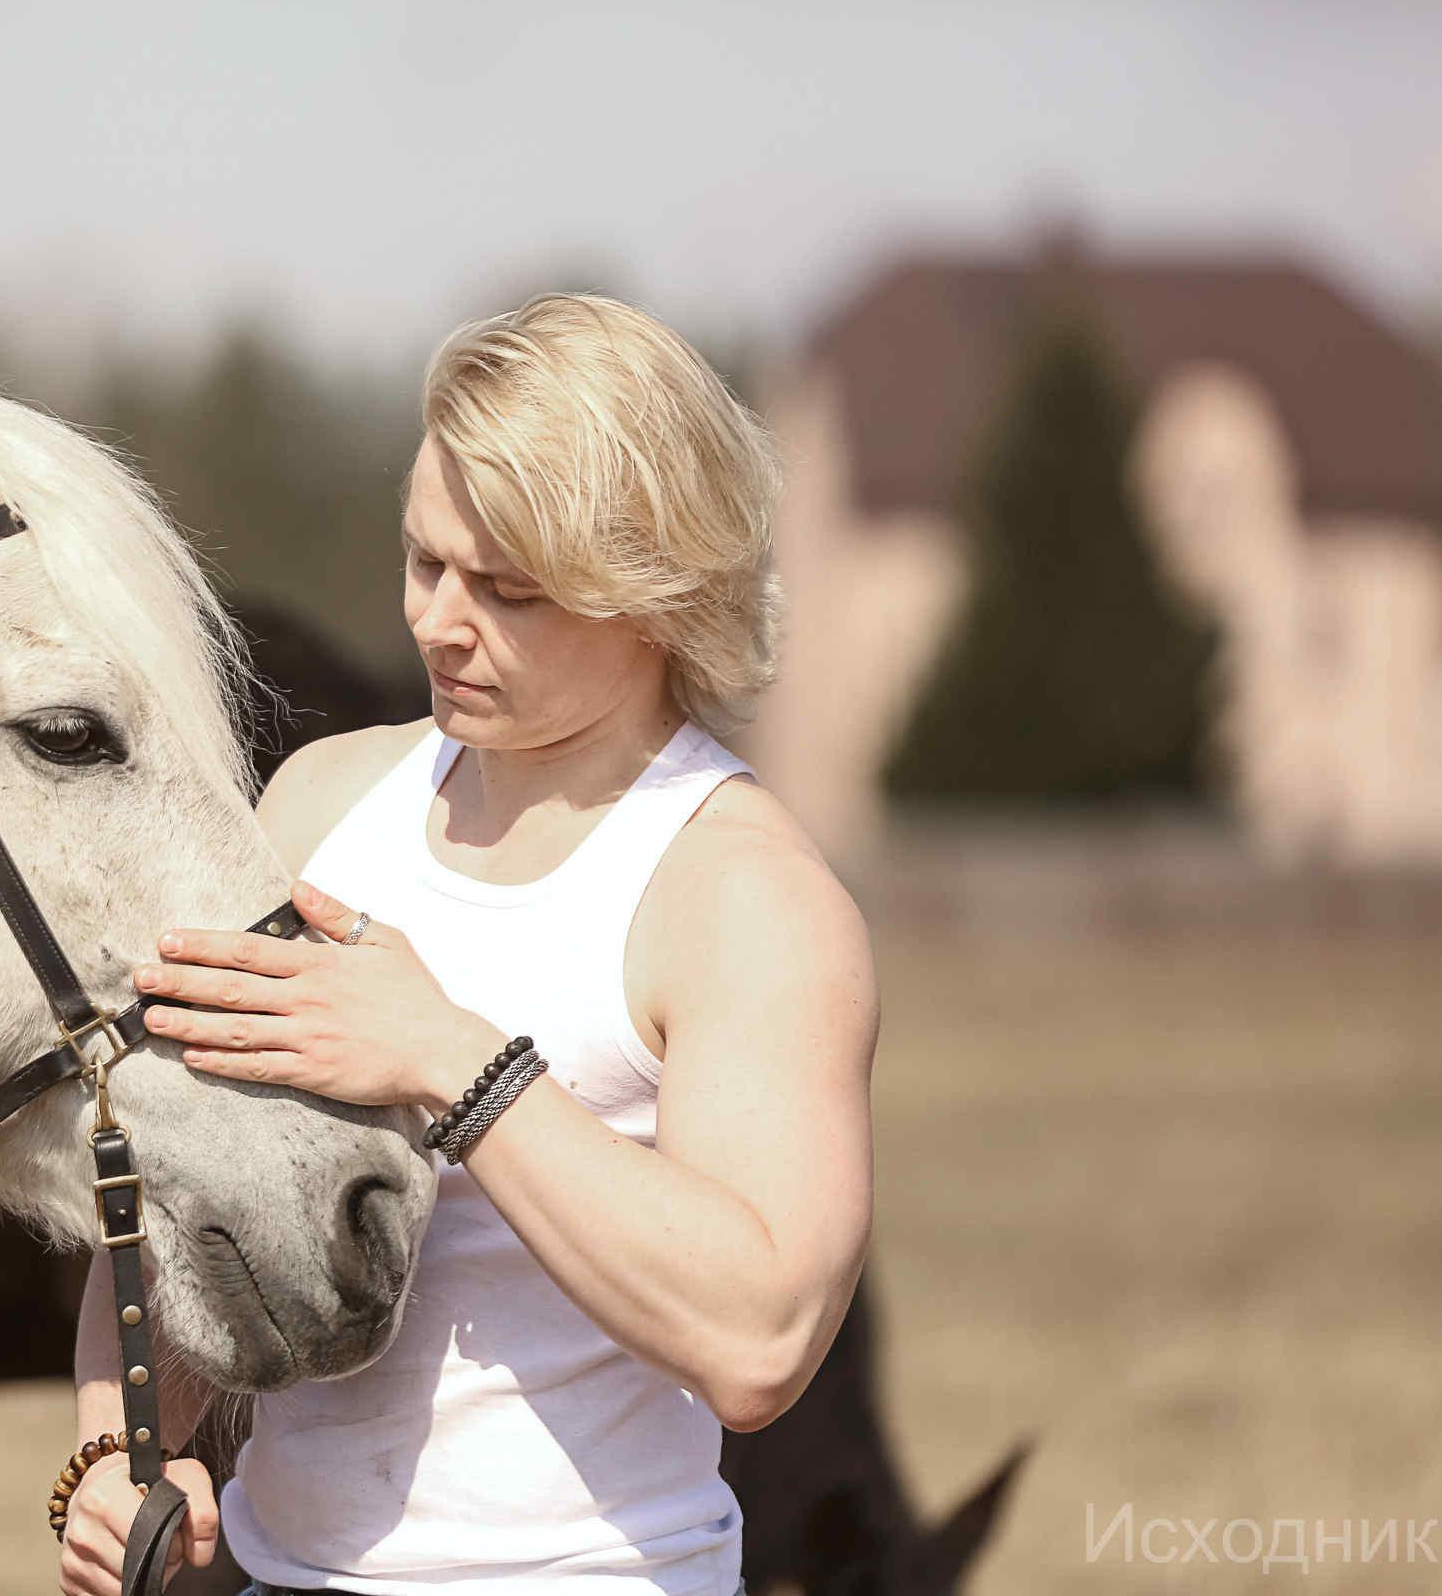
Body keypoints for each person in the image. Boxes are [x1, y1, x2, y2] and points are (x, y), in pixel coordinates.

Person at [55, 293, 876, 1596]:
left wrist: (454, 1062)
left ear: (652, 591)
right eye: (425, 561)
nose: (440, 621)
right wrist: (117, 1445)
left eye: (510, 591)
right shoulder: (318, 805)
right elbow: (184, 1195)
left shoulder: (743, 894)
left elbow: (760, 1337)